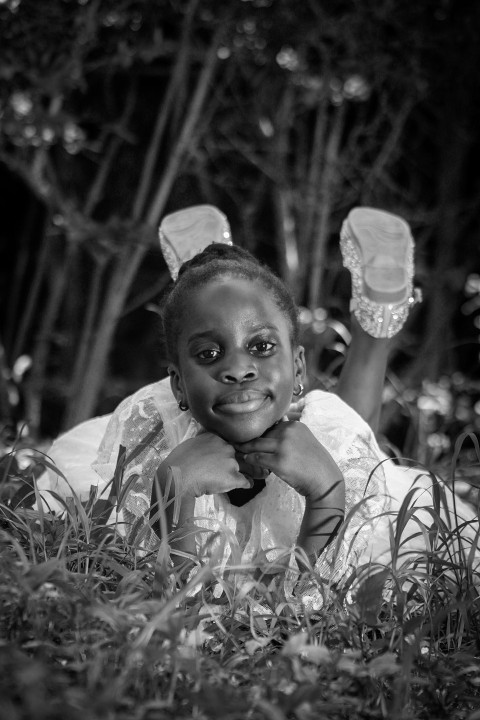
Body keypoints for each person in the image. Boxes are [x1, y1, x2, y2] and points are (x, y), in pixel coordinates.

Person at [40, 205, 478, 608]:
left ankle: (361, 317)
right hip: (188, 425)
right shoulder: (152, 430)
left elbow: (316, 609)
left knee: (348, 437)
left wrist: (327, 495)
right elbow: (174, 608)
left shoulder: (336, 442)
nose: (237, 369)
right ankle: (221, 276)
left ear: (300, 365)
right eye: (210, 355)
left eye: (261, 346)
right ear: (175, 383)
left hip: (334, 453)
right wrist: (171, 497)